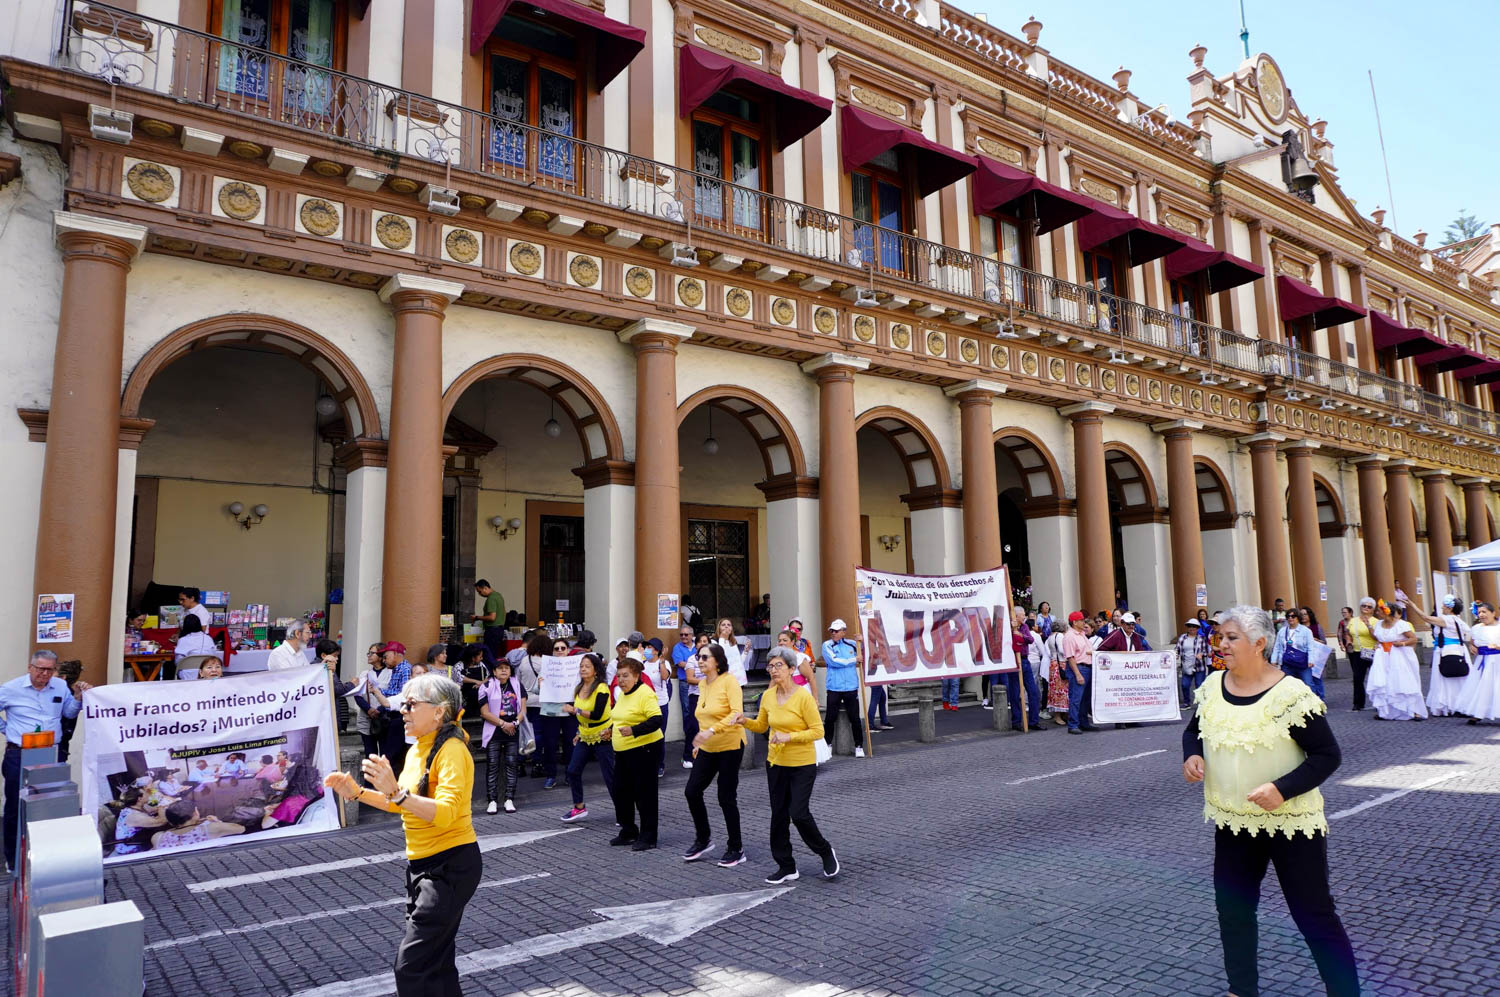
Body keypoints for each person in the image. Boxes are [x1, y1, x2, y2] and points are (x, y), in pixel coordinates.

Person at [1181, 604, 1359, 997]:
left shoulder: (1291, 695)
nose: (1221, 644)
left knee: (1313, 914)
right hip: (1233, 821)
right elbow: (1194, 730)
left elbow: (1327, 756)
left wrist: (1282, 788)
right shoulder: (1212, 686)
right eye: (1221, 637)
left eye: (1231, 638)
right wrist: (1192, 755)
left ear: (1259, 644)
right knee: (1234, 911)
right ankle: (1240, 989)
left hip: (1291, 823)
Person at [325, 673, 480, 996]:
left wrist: (396, 793)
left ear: (439, 711)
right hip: (423, 867)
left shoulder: (452, 749)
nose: (403, 711)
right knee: (436, 962)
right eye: (403, 704)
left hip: (449, 865)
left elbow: (446, 812)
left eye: (410, 704)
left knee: (412, 966)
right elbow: (403, 804)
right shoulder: (417, 750)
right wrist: (356, 793)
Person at [732, 647, 839, 885]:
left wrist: (789, 737)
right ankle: (786, 866)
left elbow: (818, 731)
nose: (773, 670)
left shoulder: (803, 697)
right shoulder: (768, 696)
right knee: (778, 815)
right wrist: (744, 721)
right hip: (776, 763)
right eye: (770, 666)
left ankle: (824, 851)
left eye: (778, 665)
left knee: (798, 814)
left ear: (792, 669)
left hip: (802, 763)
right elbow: (762, 725)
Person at [1, 650, 91, 867]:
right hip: (20, 753)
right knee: (16, 806)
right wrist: (8, 730)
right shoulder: (10, 689)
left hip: (52, 752)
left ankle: (48, 857)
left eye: (49, 669)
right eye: (40, 668)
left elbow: (68, 713)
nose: (44, 673)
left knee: (51, 804)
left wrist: (78, 698)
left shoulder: (60, 686)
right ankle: (13, 859)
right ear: (30, 667)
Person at [683, 643, 746, 866]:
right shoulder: (702, 683)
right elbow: (703, 715)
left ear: (717, 661)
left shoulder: (729, 681)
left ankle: (736, 847)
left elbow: (737, 713)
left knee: (725, 796)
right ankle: (703, 839)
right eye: (699, 657)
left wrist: (711, 730)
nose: (700, 661)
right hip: (708, 747)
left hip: (730, 744)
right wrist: (701, 739)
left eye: (705, 658)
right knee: (692, 791)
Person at [608, 657, 664, 851]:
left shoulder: (645, 693)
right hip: (623, 751)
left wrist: (634, 730)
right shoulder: (623, 693)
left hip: (644, 748)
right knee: (620, 791)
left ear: (637, 676)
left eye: (626, 676)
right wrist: (610, 729)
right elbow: (620, 716)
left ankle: (649, 836)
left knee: (644, 793)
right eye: (618, 676)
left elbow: (656, 720)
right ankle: (629, 831)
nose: (621, 680)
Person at [561, 654, 613, 822]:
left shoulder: (602, 688)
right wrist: (578, 732)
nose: (583, 669)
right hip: (585, 735)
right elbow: (581, 715)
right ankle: (579, 807)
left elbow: (597, 715)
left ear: (596, 670)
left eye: (587, 666)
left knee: (609, 776)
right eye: (581, 666)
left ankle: (623, 809)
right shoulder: (579, 687)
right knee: (572, 770)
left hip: (603, 735)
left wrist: (574, 710)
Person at [1404, 593, 1470, 717]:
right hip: (1458, 649)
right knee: (1458, 679)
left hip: (1446, 650)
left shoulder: (1447, 619)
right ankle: (1459, 704)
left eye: (1444, 606)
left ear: (1449, 608)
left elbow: (1426, 618)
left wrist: (1413, 606)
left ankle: (1448, 705)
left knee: (1445, 678)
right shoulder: (1458, 620)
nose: (1442, 608)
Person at [478, 657, 526, 814]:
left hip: (513, 730)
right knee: (492, 765)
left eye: (507, 668)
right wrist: (503, 724)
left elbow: (523, 710)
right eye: (500, 668)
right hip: (494, 731)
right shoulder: (486, 686)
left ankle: (509, 799)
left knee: (512, 764)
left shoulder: (517, 685)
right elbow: (484, 712)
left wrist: (515, 724)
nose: (504, 670)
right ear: (494, 671)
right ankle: (492, 800)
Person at [1366, 600, 1426, 721]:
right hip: (1383, 657)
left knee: (1404, 681)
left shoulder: (1401, 624)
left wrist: (1403, 643)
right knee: (1386, 681)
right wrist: (1377, 641)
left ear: (1386, 612)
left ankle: (1414, 711)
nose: (1377, 612)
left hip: (1399, 656)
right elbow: (1378, 637)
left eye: (1379, 610)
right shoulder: (1378, 624)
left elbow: (1413, 639)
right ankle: (1386, 711)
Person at [821, 620, 864, 757]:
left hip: (851, 686)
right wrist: (853, 660)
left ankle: (858, 746)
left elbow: (865, 655)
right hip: (834, 687)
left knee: (855, 718)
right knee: (830, 718)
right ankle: (827, 744)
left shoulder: (852, 643)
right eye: (832, 631)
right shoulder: (827, 645)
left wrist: (862, 642)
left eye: (836, 631)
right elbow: (833, 661)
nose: (833, 633)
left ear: (844, 631)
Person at [1456, 601, 1500, 724]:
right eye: (1479, 612)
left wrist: (1497, 647)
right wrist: (1472, 646)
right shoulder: (1476, 628)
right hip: (1482, 661)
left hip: (1497, 660)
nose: (1481, 615)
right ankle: (1478, 712)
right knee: (1481, 686)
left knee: (1497, 686)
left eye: (1484, 612)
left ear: (1493, 613)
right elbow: (1472, 641)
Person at [1005, 606, 1045, 732]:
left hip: (1025, 660)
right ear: (1016, 616)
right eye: (1022, 615)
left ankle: (1034, 721)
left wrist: (1020, 635)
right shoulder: (1008, 627)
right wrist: (1013, 631)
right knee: (1015, 693)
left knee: (1033, 692)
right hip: (1013, 662)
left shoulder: (1025, 627)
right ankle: (1016, 721)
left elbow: (1030, 639)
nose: (1024, 617)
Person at [150, 799, 246, 851]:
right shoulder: (211, 828)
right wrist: (217, 822)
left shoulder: (158, 837)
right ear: (195, 813)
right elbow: (241, 829)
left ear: (170, 821)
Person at [1059, 611, 1097, 734]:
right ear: (1075, 622)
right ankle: (1073, 724)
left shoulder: (1081, 634)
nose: (1083, 622)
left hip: (1087, 667)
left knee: (1085, 698)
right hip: (1079, 668)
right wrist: (1077, 674)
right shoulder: (1070, 636)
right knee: (1076, 698)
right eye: (1081, 620)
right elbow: (1070, 657)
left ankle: (1083, 722)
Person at [671, 624, 701, 769]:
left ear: (692, 635)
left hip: (701, 686)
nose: (683, 637)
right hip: (685, 683)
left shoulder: (698, 646)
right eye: (681, 635)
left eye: (686, 635)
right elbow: (680, 663)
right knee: (688, 712)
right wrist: (694, 666)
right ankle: (689, 737)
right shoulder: (677, 648)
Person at [1345, 598, 1377, 710]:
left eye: (1369, 606)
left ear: (1373, 609)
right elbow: (1348, 633)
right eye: (1364, 606)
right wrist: (1349, 640)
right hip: (1357, 652)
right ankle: (1358, 703)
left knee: (1376, 678)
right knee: (1357, 678)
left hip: (1372, 651)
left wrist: (1368, 626)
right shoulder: (1353, 620)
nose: (1366, 608)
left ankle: (1379, 702)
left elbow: (1376, 637)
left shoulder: (1375, 621)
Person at [1273, 609, 1314, 690]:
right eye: (1288, 616)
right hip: (1287, 663)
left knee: (1308, 684)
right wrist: (1274, 660)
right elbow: (1277, 647)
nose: (1290, 618)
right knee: (1288, 686)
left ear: (1298, 618)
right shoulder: (1282, 631)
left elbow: (1310, 647)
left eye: (1293, 616)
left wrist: (1311, 660)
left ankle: (1312, 701)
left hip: (1302, 662)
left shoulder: (1306, 631)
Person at [1043, 622, 1072, 724]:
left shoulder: (1050, 636)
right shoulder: (1059, 636)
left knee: (1055, 690)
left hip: (1054, 664)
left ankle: (1061, 714)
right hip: (1061, 664)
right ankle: (1059, 716)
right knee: (1061, 690)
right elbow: (1061, 650)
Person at [473, 578, 506, 660]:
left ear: (485, 588)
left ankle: (490, 671)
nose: (480, 594)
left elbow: (492, 617)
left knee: (489, 654)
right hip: (499, 629)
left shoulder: (491, 598)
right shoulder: (498, 595)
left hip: (492, 630)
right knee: (494, 653)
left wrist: (477, 617)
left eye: (479, 591)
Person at [712, 618, 750, 686]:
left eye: (729, 625)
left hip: (739, 679)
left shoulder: (733, 642)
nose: (726, 626)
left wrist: (745, 652)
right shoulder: (715, 641)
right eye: (723, 625)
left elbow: (739, 662)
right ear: (719, 628)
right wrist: (722, 638)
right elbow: (720, 656)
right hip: (726, 680)